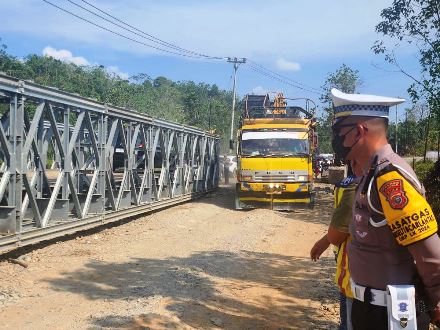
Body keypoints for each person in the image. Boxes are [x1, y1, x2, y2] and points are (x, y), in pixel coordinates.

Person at [330, 88, 440, 329]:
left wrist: (436, 302)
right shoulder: (371, 173)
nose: (337, 140)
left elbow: (429, 253)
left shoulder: (390, 179)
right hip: (371, 309)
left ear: (358, 131)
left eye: (339, 132)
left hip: (394, 314)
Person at [311, 166, 358, 330]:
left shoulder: (353, 186)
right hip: (348, 275)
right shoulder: (352, 184)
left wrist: (328, 240)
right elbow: (342, 227)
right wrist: (326, 241)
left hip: (357, 281)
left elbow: (338, 233)